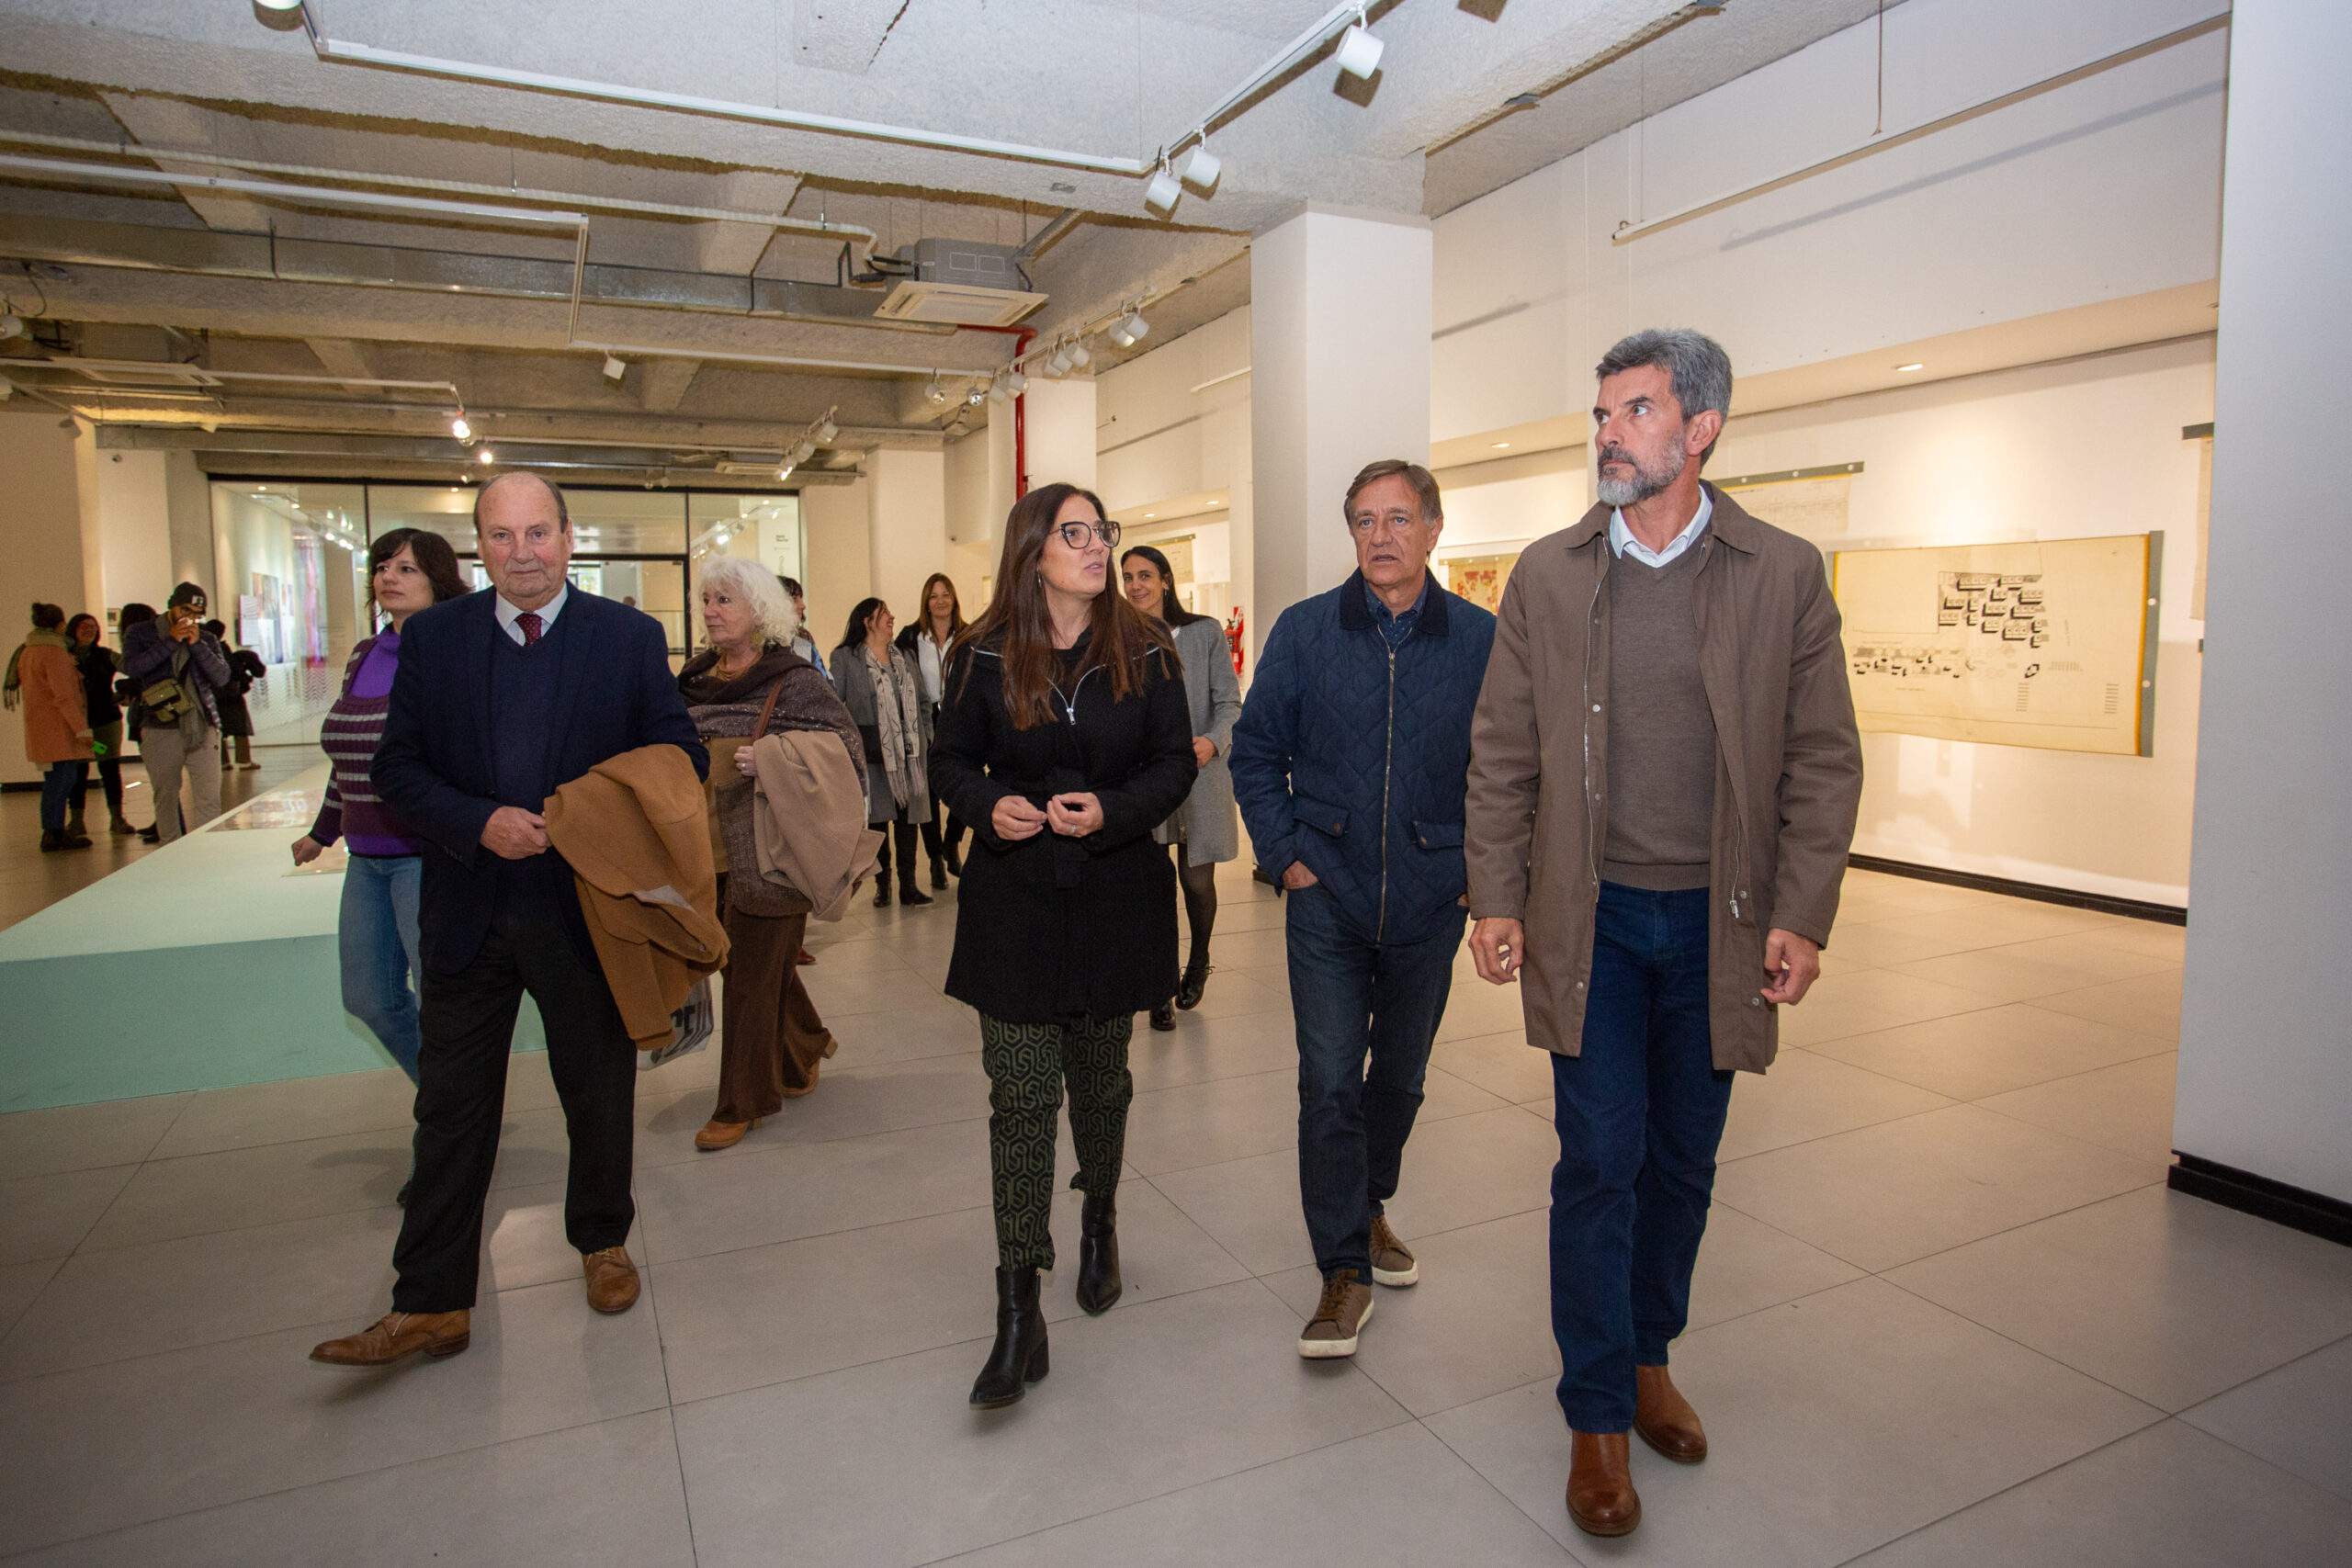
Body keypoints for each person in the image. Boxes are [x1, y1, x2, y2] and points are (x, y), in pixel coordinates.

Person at [1465, 330, 1863, 1539]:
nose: (1607, 433)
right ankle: (1596, 1412)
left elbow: (1822, 757)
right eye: (1601, 413)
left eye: (1633, 411)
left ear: (1700, 430)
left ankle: (1648, 1356)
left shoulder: (1781, 572)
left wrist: (1800, 912)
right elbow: (1501, 749)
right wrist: (1495, 893)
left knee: (1683, 1161)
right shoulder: (1548, 574)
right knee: (1599, 1161)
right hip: (1588, 918)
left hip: (1719, 926)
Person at [310, 471, 707, 1369]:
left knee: (596, 1092)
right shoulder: (436, 637)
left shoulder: (628, 638)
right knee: (450, 1111)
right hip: (467, 908)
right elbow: (396, 769)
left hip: (585, 912)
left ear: (568, 537)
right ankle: (430, 1302)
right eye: (501, 536)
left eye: (537, 534)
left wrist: (590, 815)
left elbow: (679, 757)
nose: (521, 554)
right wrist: (476, 820)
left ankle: (603, 1243)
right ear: (479, 546)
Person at [932, 481, 1195, 1408]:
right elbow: (948, 761)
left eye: (1101, 531)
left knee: (1101, 1081)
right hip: (1015, 902)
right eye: (1073, 533)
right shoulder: (983, 652)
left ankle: (1099, 1219)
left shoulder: (1148, 650)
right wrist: (985, 804)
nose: (1096, 547)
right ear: (1032, 550)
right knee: (1019, 1097)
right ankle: (1018, 1309)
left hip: (1115, 895)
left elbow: (1174, 764)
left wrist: (1114, 810)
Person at [1229, 459, 1496, 1362]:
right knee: (1331, 1080)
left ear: (1433, 529)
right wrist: (1286, 855)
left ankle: (1368, 1200)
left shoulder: (1480, 639)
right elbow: (1255, 752)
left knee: (1401, 1079)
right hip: (1328, 899)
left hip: (1431, 896)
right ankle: (1343, 1266)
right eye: (1364, 520)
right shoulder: (1306, 632)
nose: (1381, 536)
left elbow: (1508, 768)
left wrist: (1481, 868)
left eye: (1399, 518)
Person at [290, 528, 471, 1205]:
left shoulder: (449, 653)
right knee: (368, 997)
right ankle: (459, 1104)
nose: (390, 577)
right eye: (383, 566)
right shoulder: (366, 654)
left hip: (426, 855)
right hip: (365, 858)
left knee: (440, 1005)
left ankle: (449, 1132)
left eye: (407, 568)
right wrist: (324, 830)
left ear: (438, 581)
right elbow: (349, 756)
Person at [677, 556, 863, 1151]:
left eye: (724, 600)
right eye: (706, 599)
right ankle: (805, 1045)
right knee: (743, 966)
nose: (710, 611)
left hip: (771, 852)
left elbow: (847, 751)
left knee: (751, 981)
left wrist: (775, 758)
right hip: (704, 851)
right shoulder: (694, 677)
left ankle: (741, 1102)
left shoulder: (794, 679)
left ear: (759, 610)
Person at [1120, 545, 1243, 1031]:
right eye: (1128, 577)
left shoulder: (1204, 632)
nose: (1136, 585)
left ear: (1166, 580)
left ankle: (1199, 960)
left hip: (1200, 772)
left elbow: (1230, 703)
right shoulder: (1117, 638)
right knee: (1154, 884)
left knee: (1196, 881)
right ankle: (1159, 983)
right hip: (1145, 777)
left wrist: (1212, 742)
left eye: (1145, 575)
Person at [831, 597, 933, 908]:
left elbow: (923, 701)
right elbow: (835, 705)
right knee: (878, 821)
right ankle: (883, 884)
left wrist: (926, 735)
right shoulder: (845, 658)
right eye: (884, 612)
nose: (891, 617)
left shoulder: (905, 656)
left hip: (909, 756)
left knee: (908, 819)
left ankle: (909, 886)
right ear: (867, 621)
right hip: (872, 754)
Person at [119, 583, 230, 843]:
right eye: (185, 610)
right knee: (166, 795)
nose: (190, 619)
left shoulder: (207, 638)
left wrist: (196, 645)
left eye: (197, 614)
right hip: (159, 725)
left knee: (208, 797)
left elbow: (222, 676)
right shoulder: (141, 633)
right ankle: (170, 847)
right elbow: (133, 668)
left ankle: (208, 849)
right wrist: (171, 642)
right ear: (172, 606)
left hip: (202, 725)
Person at [894, 571, 968, 890]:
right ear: (926, 602)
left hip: (961, 716)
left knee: (966, 782)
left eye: (945, 594)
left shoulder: (967, 634)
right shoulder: (911, 637)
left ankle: (952, 841)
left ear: (954, 598)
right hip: (925, 719)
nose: (940, 601)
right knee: (930, 790)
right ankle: (936, 858)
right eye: (934, 596)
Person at [16, 604, 94, 852]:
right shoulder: (54, 653)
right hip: (59, 728)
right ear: (61, 625)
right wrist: (82, 729)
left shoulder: (28, 650)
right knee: (62, 780)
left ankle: (53, 831)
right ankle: (54, 833)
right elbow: (64, 697)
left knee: (55, 780)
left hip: (40, 726)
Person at [62, 614, 130, 838]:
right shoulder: (64, 656)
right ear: (73, 629)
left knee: (110, 769)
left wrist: (123, 693)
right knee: (78, 772)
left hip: (106, 723)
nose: (89, 630)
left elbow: (133, 669)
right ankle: (77, 821)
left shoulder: (105, 655)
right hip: (79, 725)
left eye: (93, 626)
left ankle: (117, 818)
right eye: (83, 626)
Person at [205, 619, 266, 770]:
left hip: (213, 696)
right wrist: (245, 679)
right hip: (232, 697)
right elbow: (234, 671)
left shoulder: (203, 649)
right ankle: (244, 761)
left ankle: (222, 762)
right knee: (240, 729)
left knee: (219, 730)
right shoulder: (222, 649)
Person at [779, 576, 828, 679]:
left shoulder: (803, 636)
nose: (803, 606)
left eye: (801, 599)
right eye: (795, 600)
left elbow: (822, 677)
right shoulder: (760, 642)